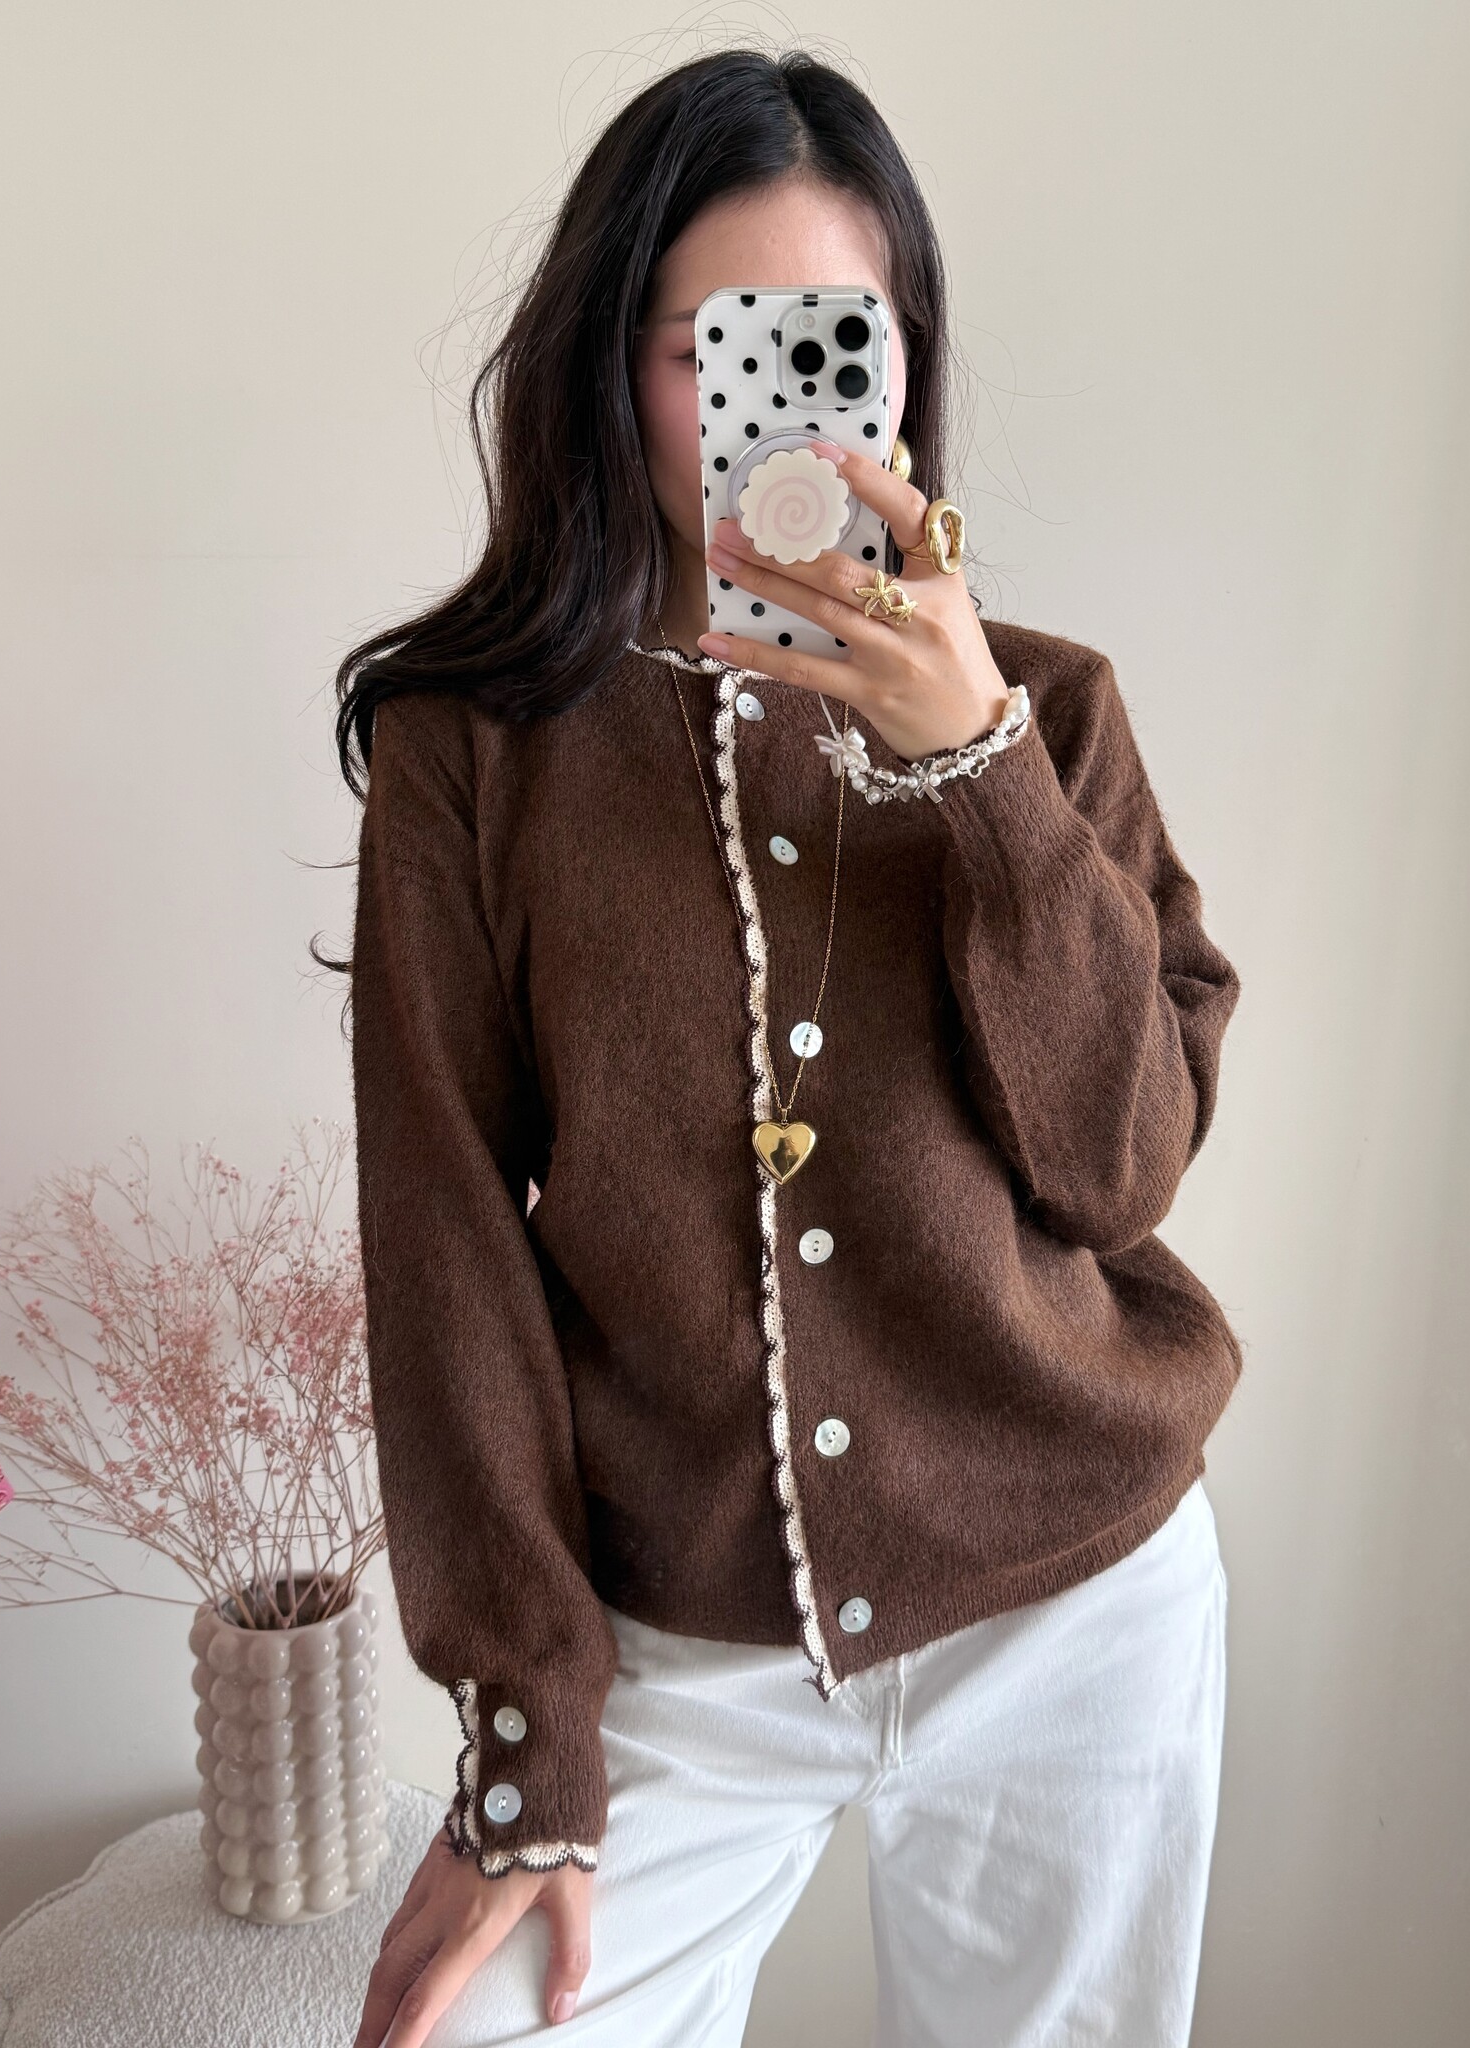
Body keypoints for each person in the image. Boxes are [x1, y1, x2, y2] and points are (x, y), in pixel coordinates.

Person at [336, 45, 1241, 2048]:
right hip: (686, 1643)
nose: (799, 398)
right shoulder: (468, 754)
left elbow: (1123, 1170)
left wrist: (978, 768)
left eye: (852, 337)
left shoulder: (1052, 715)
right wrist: (524, 1734)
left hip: (1075, 1610)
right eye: (721, 343)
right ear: (616, 368)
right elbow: (447, 1241)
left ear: (907, 362)